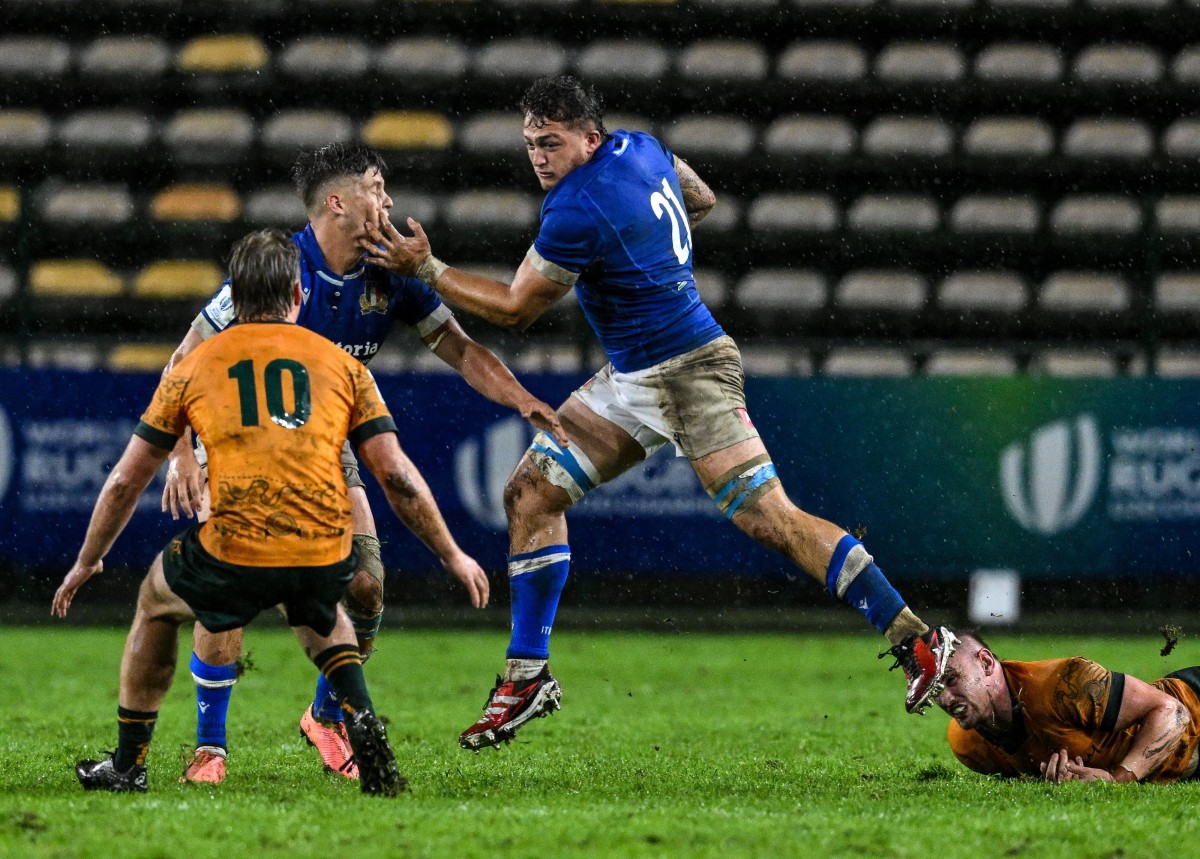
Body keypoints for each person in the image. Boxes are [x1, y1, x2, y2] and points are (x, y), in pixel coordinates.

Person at [360, 74, 953, 751]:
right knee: (531, 491)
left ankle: (916, 637)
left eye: (550, 143)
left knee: (771, 519)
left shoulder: (577, 207)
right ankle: (527, 677)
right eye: (529, 143)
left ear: (589, 136)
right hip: (637, 376)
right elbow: (699, 196)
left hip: (691, 370)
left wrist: (426, 266)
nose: (538, 157)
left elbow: (517, 309)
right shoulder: (641, 147)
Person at [161, 143, 567, 783]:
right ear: (337, 201)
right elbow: (184, 360)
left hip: (326, 442)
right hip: (239, 436)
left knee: (367, 585)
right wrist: (183, 452)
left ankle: (324, 717)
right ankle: (211, 748)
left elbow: (460, 349)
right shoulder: (278, 267)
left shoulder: (390, 271)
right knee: (229, 592)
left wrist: (521, 400)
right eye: (377, 187)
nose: (388, 201)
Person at [50, 228, 478, 795]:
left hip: (235, 549)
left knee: (156, 601)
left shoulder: (192, 367)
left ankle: (129, 764)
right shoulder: (345, 368)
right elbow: (396, 475)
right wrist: (450, 553)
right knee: (323, 612)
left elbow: (127, 479)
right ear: (298, 297)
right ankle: (363, 719)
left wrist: (88, 559)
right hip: (322, 548)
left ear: (234, 298)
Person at [933, 629, 1200, 783]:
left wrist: (1118, 781)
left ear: (987, 663)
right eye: (935, 690)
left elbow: (1171, 711)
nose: (945, 699)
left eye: (953, 679)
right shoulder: (966, 744)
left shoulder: (1064, 683)